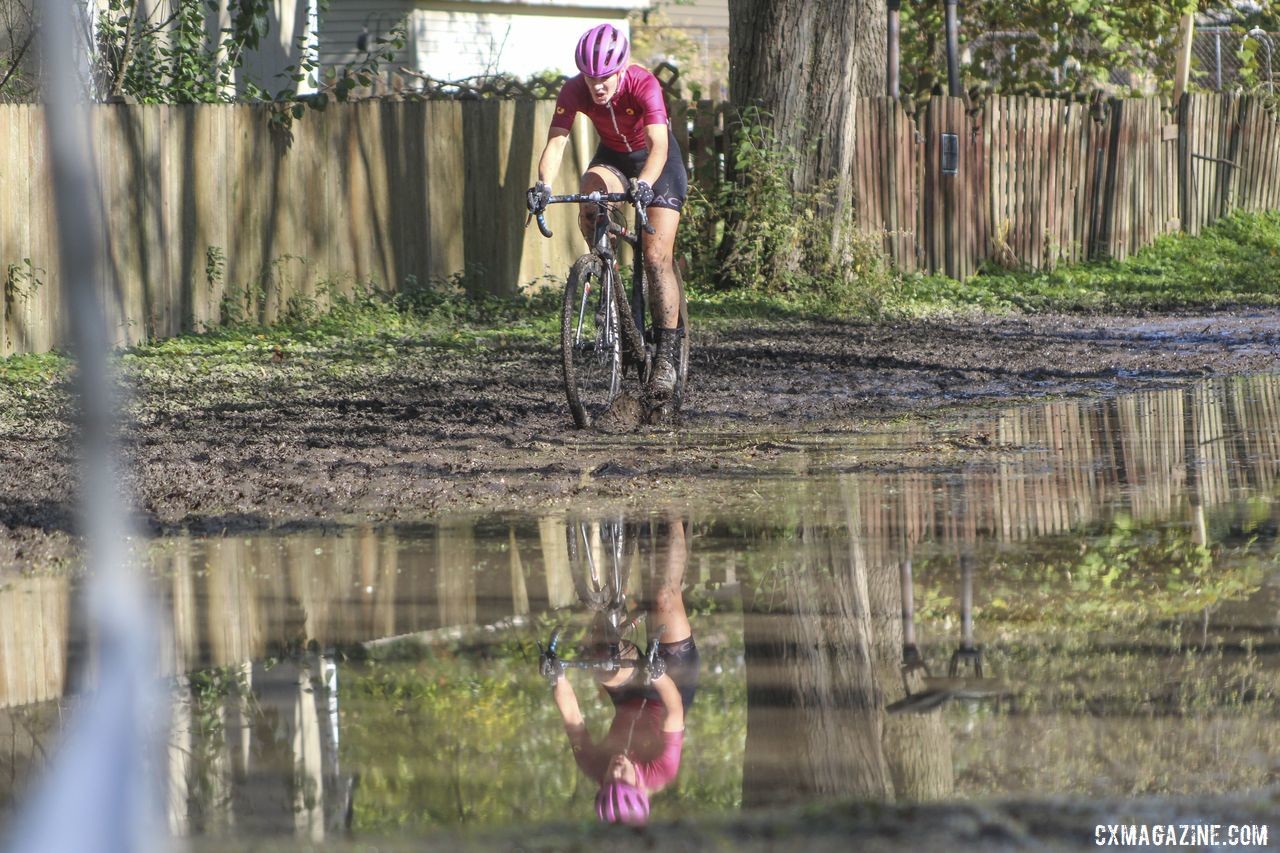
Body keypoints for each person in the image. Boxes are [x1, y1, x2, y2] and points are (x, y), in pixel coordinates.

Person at [526, 23, 689, 399]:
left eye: (604, 78)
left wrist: (645, 183)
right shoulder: (573, 90)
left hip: (657, 163)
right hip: (613, 160)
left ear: (621, 69)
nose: (596, 86)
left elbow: (658, 145)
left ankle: (666, 357)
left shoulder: (643, 84)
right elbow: (557, 142)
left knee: (654, 255)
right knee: (590, 194)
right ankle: (605, 274)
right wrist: (543, 186)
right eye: (589, 78)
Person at [539, 516, 697, 826]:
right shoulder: (662, 771)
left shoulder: (592, 765)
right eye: (622, 775)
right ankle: (676, 514)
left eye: (609, 778)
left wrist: (555, 677)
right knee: (666, 595)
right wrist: (658, 672)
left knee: (604, 661)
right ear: (639, 786)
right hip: (672, 684)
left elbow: (573, 719)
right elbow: (675, 710)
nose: (615, 768)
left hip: (627, 696)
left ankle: (611, 598)